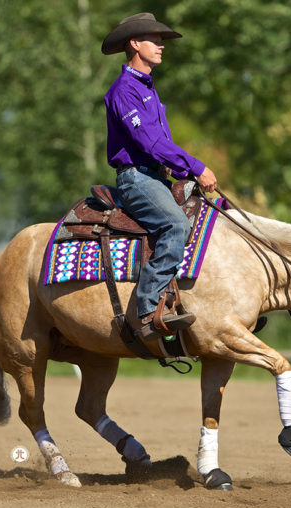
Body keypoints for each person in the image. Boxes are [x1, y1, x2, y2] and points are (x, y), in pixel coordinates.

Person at [102, 13, 218, 340]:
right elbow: (149, 143)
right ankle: (149, 311)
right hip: (136, 179)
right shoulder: (125, 90)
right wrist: (196, 167)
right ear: (135, 44)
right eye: (154, 40)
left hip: (155, 176)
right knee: (176, 225)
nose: (161, 45)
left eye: (161, 40)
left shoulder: (148, 89)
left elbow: (161, 146)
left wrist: (184, 170)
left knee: (206, 218)